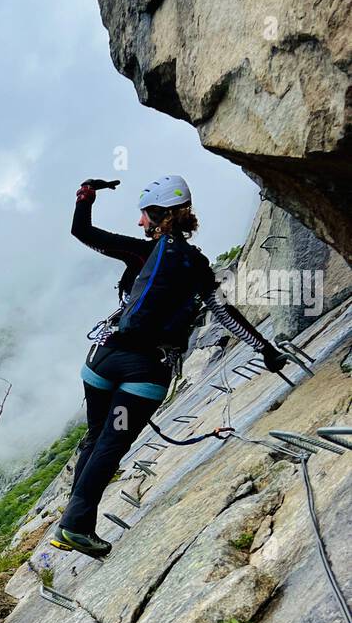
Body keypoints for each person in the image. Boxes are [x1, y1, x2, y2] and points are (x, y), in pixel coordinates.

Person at [50, 174, 289, 558]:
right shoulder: (194, 263)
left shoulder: (139, 253)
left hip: (102, 359)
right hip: (142, 371)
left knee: (95, 439)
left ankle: (77, 523)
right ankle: (75, 526)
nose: (139, 223)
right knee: (111, 444)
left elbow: (82, 231)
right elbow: (222, 313)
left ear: (159, 215)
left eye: (144, 216)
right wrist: (264, 349)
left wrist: (86, 196)